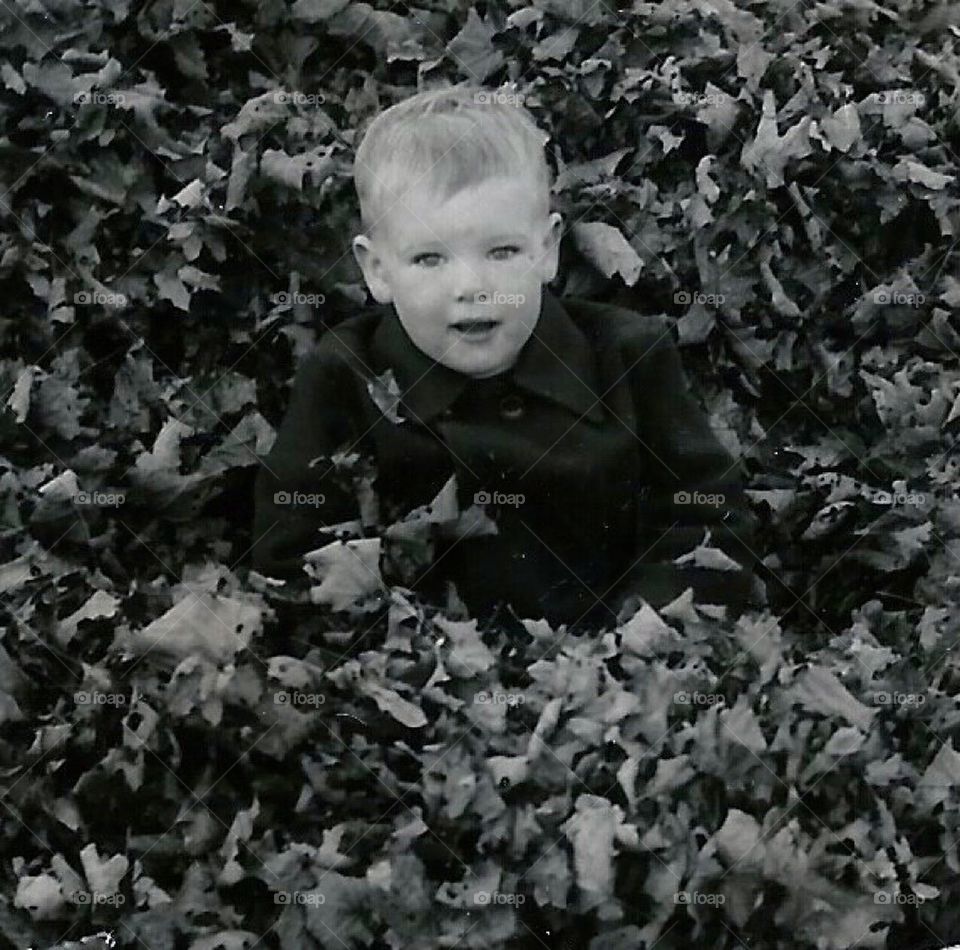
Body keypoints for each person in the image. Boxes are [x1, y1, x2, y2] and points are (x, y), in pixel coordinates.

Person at [251, 84, 766, 630]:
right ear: (377, 270)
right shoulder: (344, 378)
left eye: (502, 252)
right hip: (421, 679)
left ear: (546, 250)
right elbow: (291, 556)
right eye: (429, 259)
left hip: (617, 668)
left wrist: (643, 633)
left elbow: (706, 515)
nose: (472, 285)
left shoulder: (626, 356)